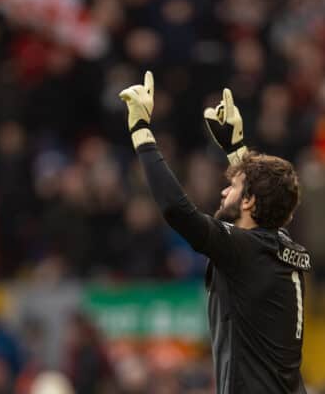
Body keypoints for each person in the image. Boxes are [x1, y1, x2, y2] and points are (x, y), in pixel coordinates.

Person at [119, 72, 310, 394]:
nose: (223, 192)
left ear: (249, 201)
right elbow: (266, 206)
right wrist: (237, 150)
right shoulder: (281, 246)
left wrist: (141, 132)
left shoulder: (245, 250)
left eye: (232, 187)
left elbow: (178, 211)